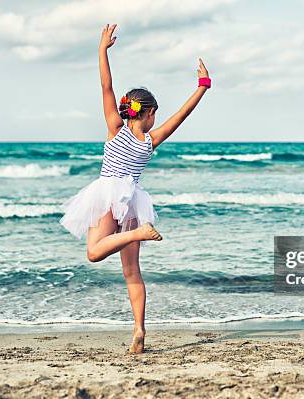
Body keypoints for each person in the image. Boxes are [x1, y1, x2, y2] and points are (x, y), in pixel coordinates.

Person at [59, 24, 211, 353]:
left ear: (131, 110)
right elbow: (182, 115)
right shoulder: (151, 140)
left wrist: (102, 50)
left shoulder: (115, 128)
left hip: (108, 194)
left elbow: (106, 86)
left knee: (94, 253)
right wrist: (203, 86)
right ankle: (139, 330)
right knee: (131, 270)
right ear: (151, 113)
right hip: (132, 201)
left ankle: (136, 234)